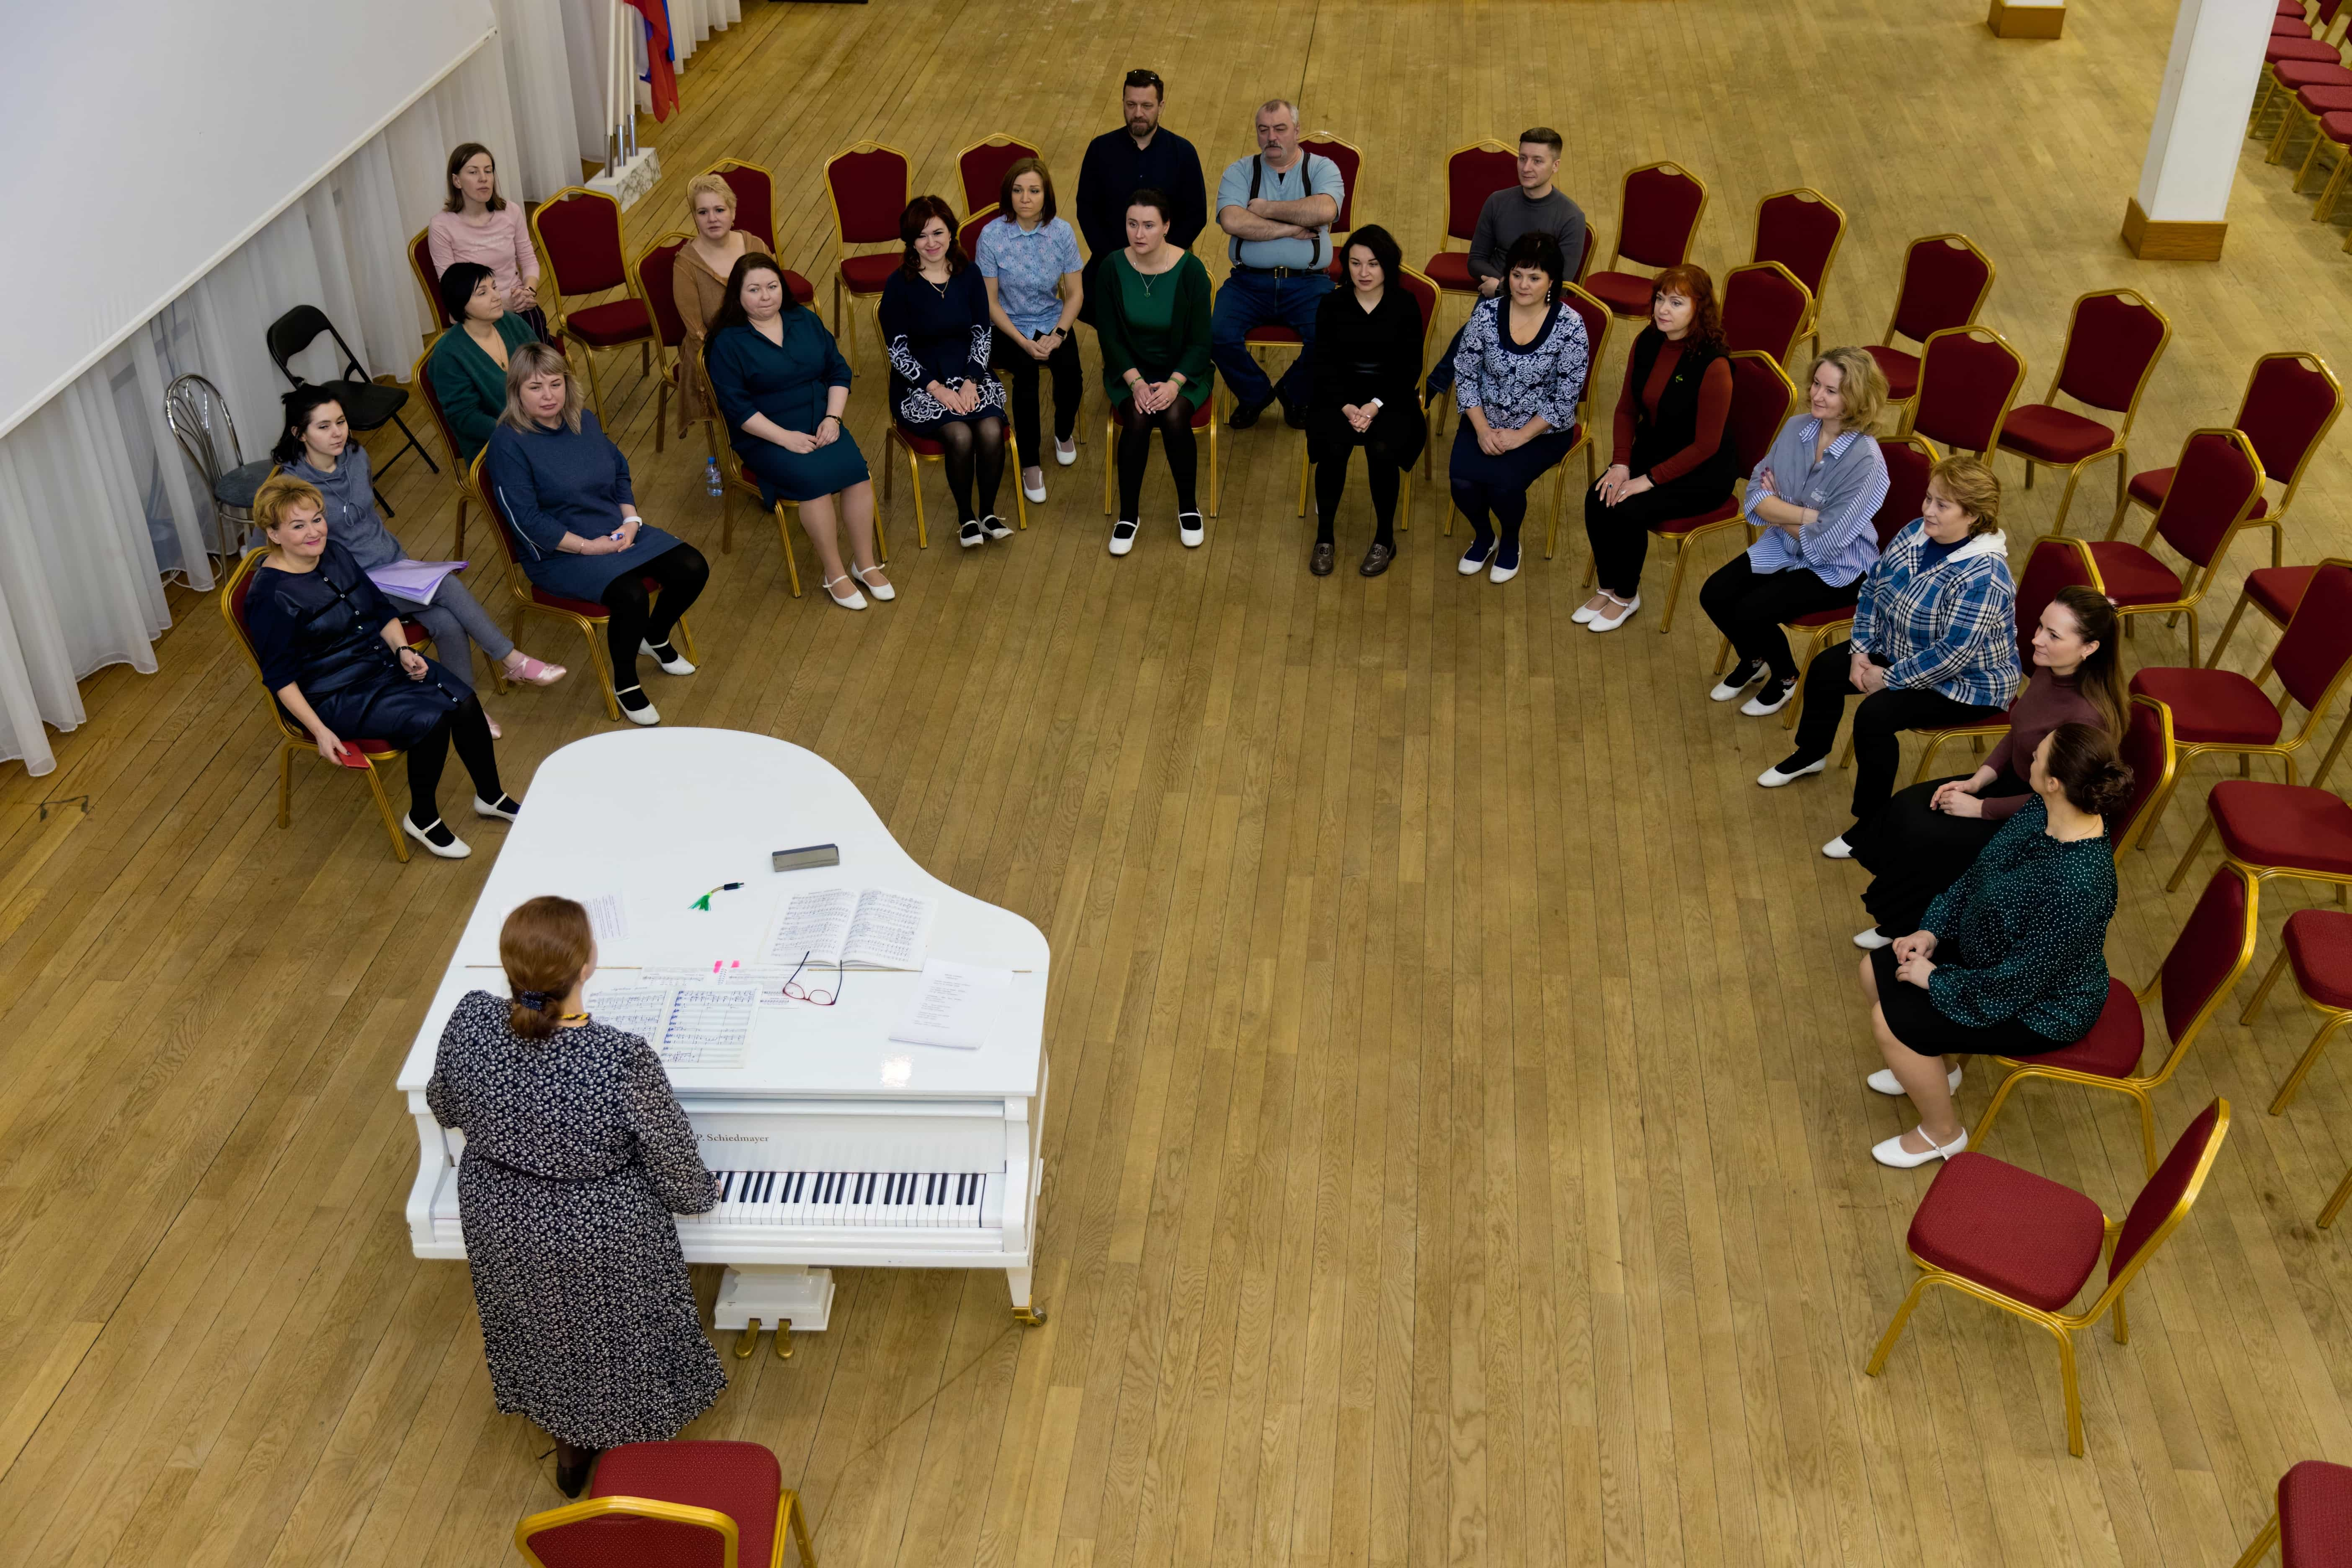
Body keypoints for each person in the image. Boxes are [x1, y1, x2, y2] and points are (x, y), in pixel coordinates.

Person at [426, 895, 725, 1497]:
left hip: (500, 1221)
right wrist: (702, 1191)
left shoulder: (469, 1019)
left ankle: (570, 1455)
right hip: (597, 1235)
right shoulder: (620, 1059)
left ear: (509, 967)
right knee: (622, 1338)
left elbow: (445, 1105)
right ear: (588, 965)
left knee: (541, 1330)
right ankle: (640, 1461)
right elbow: (684, 1185)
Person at [1856, 724, 2132, 1168]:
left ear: (2055, 781)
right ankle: (1939, 1070)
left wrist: (1937, 979)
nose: (2030, 758)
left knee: (1891, 1023)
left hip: (2040, 1005)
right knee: (1875, 970)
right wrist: (1931, 931)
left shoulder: (2080, 884)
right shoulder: (2041, 811)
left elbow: (2018, 983)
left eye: (2038, 756)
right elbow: (1979, 875)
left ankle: (1941, 1135)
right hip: (1992, 953)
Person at [241, 474, 516, 859]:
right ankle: (423, 818)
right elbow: (280, 678)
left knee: (465, 701)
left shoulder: (334, 552)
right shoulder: (271, 597)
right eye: (298, 526)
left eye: (317, 519)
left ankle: (491, 796)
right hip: (335, 695)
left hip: (380, 663)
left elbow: (380, 610)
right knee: (432, 721)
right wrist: (319, 731)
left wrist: (403, 650)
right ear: (273, 533)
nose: (314, 532)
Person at [1759, 455, 2020, 856]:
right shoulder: (1917, 532)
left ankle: (1871, 824)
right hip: (1900, 650)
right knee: (1829, 667)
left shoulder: (1985, 578)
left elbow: (1951, 657)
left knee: (1875, 716)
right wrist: (1860, 651)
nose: (1927, 511)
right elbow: (1872, 591)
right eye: (1929, 498)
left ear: (1974, 517)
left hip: (1965, 684)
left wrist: (1887, 679)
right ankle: (1812, 753)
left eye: (1942, 505)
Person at [1849, 585, 2125, 948]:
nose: (2036, 639)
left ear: (2089, 648)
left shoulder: (2086, 717)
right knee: (1908, 806)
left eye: (2053, 635)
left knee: (1931, 836)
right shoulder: (2051, 668)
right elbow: (2021, 731)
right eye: (2041, 626)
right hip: (2016, 781)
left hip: (2038, 817)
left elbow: (2057, 801)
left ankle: (1905, 926)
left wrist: (1981, 809)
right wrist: (1977, 780)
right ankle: (1903, 913)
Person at [275, 386, 565, 722]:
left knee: (447, 622)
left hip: (393, 565)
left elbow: (366, 518)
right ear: (300, 433)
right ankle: (512, 659)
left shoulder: (356, 456)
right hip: (351, 587)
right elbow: (276, 551)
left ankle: (465, 710)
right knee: (448, 587)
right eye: (323, 427)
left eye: (341, 422)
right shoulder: (291, 487)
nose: (338, 432)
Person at [483, 343, 709, 723]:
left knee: (693, 567)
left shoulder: (582, 420)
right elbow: (526, 520)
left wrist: (631, 522)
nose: (549, 395)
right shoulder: (508, 444)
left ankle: (654, 636)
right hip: (559, 553)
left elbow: (619, 471)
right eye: (535, 387)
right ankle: (626, 683)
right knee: (631, 594)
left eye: (556, 384)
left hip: (613, 530)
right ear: (516, 392)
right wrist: (589, 548)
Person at [705, 253, 889, 609]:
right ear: (737, 296)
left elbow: (838, 372)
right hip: (765, 435)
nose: (766, 296)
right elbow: (737, 408)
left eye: (772, 287)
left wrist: (833, 419)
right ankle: (834, 573)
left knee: (857, 475)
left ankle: (864, 563)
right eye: (754, 290)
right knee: (814, 484)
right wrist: (783, 438)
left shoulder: (803, 319)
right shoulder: (727, 342)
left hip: (820, 421)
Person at [1695, 345, 1891, 674]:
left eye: (1831, 391)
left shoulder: (1866, 461)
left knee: (1749, 610)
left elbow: (1827, 543)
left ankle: (1785, 677)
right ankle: (1755, 659)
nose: (1817, 395)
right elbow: (1756, 495)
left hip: (1840, 568)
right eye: (1816, 384)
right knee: (1713, 595)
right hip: (1786, 546)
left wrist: (1781, 509)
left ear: (1856, 398)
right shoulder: (1797, 427)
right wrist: (1808, 517)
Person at [1578, 266, 1736, 632]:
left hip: (1704, 470)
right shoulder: (1647, 341)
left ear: (1700, 308)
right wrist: (1620, 465)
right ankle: (1608, 585)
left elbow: (1706, 445)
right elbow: (1626, 408)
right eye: (1661, 299)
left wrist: (1647, 480)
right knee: (1598, 496)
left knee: (1629, 508)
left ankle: (1627, 596)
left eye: (1676, 302)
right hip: (1657, 447)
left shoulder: (1714, 365)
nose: (1663, 309)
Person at [1448, 231, 1589, 585]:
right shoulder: (1487, 314)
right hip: (1484, 420)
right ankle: (1485, 536)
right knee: (1462, 482)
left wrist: (1519, 437)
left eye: (1535, 277)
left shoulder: (1571, 326)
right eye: (1517, 274)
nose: (1524, 285)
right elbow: (1465, 373)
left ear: (1552, 281)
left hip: (1541, 431)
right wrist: (1481, 429)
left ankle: (1510, 540)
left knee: (1505, 488)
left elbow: (1565, 398)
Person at [879, 196, 1010, 549]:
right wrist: (937, 389)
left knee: (989, 428)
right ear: (911, 241)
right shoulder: (898, 285)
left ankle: (988, 513)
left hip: (971, 373)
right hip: (919, 383)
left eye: (939, 233)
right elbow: (899, 352)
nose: (932, 243)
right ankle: (966, 517)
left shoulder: (969, 277)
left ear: (952, 234)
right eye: (922, 236)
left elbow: (982, 334)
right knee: (960, 435)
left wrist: (971, 381)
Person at [1211, 99, 1344, 429]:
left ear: (1297, 131)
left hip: (1309, 284)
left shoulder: (1322, 168)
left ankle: (1294, 393)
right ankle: (1256, 395)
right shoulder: (1240, 171)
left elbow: (1324, 211)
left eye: (1281, 129)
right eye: (1264, 130)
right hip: (1247, 284)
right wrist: (1291, 228)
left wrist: (1265, 209)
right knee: (1216, 334)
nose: (1272, 137)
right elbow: (1232, 221)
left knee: (1332, 336)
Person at [1427, 128, 1587, 399]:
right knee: (1480, 330)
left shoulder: (1571, 217)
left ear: (1555, 166)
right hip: (1495, 298)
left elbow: (1562, 285)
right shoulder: (1498, 202)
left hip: (1539, 303)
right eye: (1522, 158)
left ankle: (1432, 388)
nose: (1527, 167)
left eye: (1537, 160)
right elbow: (1476, 260)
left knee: (1474, 332)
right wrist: (1504, 289)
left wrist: (1503, 286)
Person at [1096, 189, 1214, 556]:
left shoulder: (1191, 271)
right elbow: (1109, 337)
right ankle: (1129, 514)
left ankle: (1188, 507)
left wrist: (1176, 384)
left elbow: (1200, 342)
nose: (1139, 234)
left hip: (1184, 369)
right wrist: (1135, 382)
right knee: (1137, 418)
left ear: (1166, 226)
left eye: (1149, 225)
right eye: (1133, 224)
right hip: (1129, 370)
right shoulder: (1111, 267)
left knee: (1175, 416)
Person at [1306, 224, 1426, 578]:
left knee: (1383, 448)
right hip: (1339, 396)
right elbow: (1324, 364)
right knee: (1332, 447)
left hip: (1391, 397)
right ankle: (1324, 535)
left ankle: (1385, 538)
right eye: (1356, 263)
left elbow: (1409, 369)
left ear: (1388, 265)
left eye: (1373, 264)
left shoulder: (1405, 305)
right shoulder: (1332, 303)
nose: (1364, 273)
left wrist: (1374, 406)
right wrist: (1346, 406)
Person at [977, 157, 1084, 502]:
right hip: (1008, 327)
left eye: (1034, 191)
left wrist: (1059, 334)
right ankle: (1030, 463)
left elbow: (1076, 293)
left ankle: (1063, 431)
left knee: (1072, 376)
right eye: (1018, 190)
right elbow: (990, 303)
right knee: (1026, 379)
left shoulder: (1062, 233)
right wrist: (1024, 343)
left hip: (1052, 320)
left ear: (1046, 195)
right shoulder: (991, 235)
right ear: (1008, 195)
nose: (1026, 198)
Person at [1073, 69, 1207, 323]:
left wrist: (1161, 259)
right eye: (1131, 104)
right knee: (1090, 303)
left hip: (1167, 264)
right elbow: (1087, 211)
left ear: (1161, 106)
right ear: (1123, 103)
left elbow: (1196, 214)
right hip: (1111, 260)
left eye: (1147, 106)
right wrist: (1117, 260)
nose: (1138, 113)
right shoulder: (1100, 150)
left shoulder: (1184, 153)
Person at [671, 173, 771, 439]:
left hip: (764, 337)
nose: (712, 218)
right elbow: (698, 333)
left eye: (719, 210)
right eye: (703, 212)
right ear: (695, 217)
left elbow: (776, 298)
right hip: (716, 351)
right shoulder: (685, 265)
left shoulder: (755, 246)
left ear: (733, 212)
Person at [428, 143, 547, 340]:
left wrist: (528, 291)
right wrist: (500, 305)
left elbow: (529, 261)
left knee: (539, 357)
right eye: (473, 172)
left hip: (518, 305)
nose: (484, 179)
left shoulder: (511, 212)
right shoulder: (442, 226)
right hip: (475, 317)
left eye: (489, 171)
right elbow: (453, 289)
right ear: (457, 181)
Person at [427, 262, 542, 463]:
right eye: (482, 293)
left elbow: (544, 366)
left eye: (495, 288)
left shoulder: (511, 322)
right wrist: (520, 432)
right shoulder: (448, 356)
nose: (497, 296)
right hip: (497, 446)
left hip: (539, 423)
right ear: (460, 303)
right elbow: (466, 418)